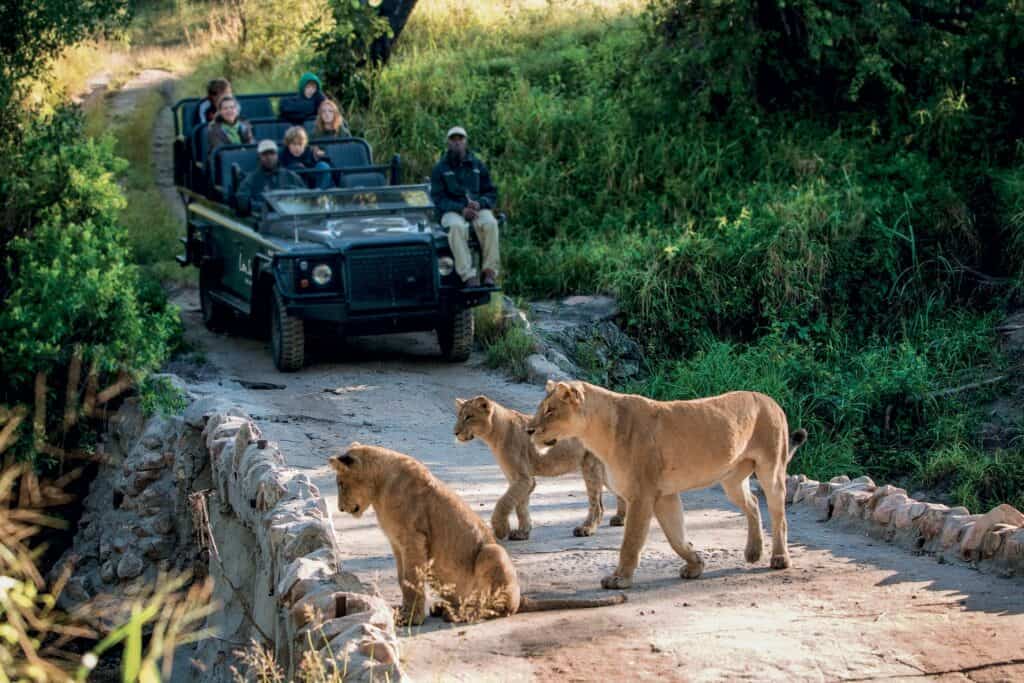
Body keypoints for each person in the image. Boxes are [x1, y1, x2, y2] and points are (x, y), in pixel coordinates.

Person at [429, 126, 500, 287]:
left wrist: (480, 203)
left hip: (476, 208)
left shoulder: (477, 165)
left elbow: (491, 192)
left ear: (465, 142)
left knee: (491, 223)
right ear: (448, 143)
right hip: (452, 210)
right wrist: (461, 209)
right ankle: (468, 275)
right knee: (456, 227)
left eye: (460, 139)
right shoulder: (440, 168)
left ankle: (489, 272)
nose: (457, 143)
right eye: (453, 139)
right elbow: (438, 199)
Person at [235, 140, 305, 216]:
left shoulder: (290, 176)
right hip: (264, 220)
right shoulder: (251, 179)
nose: (269, 157)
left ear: (277, 155)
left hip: (291, 218)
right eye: (265, 154)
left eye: (272, 153)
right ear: (259, 157)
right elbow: (242, 202)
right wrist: (264, 207)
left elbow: (305, 197)